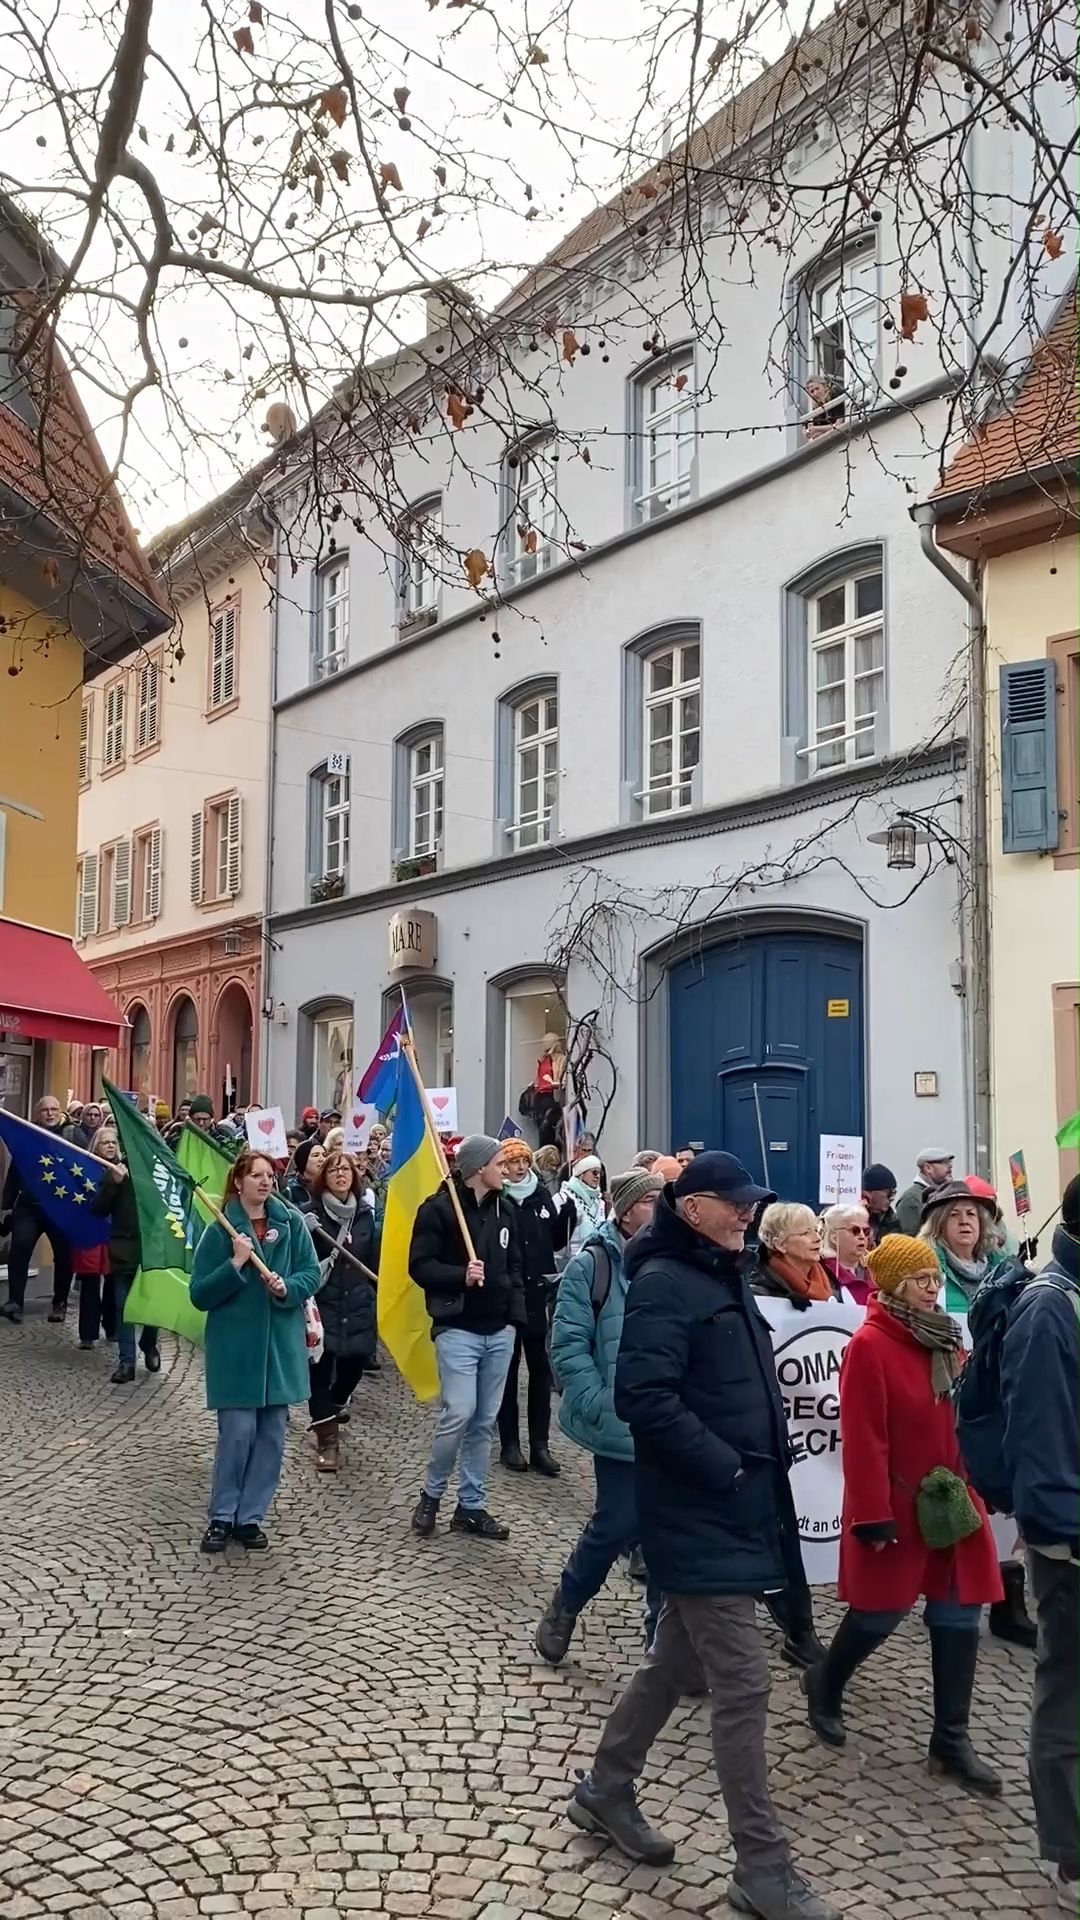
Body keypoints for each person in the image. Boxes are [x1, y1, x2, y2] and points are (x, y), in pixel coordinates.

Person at [568, 1152, 840, 1920]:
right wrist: (724, 1467)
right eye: (735, 1202)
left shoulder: (724, 1272)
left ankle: (605, 1790)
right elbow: (642, 1398)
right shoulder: (662, 1283)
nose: (748, 1212)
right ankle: (762, 1869)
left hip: (741, 1505)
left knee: (669, 1665)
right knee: (744, 1687)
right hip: (698, 1511)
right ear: (693, 1210)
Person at [804, 1234, 1002, 1795]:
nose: (933, 1289)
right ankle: (824, 1681)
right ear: (894, 1286)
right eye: (921, 1281)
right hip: (896, 1502)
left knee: (959, 1614)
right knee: (878, 1614)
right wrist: (871, 1514)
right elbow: (864, 1439)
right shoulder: (869, 1343)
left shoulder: (946, 1340)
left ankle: (951, 1739)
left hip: (954, 1500)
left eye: (935, 1280)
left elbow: (963, 1415)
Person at [535, 1169, 662, 1663]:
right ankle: (566, 1603)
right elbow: (567, 1343)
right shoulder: (592, 1264)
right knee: (616, 1523)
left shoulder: (678, 1259)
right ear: (627, 1209)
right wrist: (596, 1402)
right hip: (620, 1420)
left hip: (672, 1419)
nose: (660, 1208)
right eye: (651, 1200)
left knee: (668, 1532)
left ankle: (663, 1639)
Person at [1002, 1175, 1080, 1913]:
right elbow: (1040, 1439)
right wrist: (1064, 1535)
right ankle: (1069, 1852)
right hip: (1071, 1548)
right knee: (1067, 1693)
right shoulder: (1049, 1307)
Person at [920, 1178, 1037, 1647]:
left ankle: (1009, 1605)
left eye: (972, 1213)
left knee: (1000, 1494)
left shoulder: (1002, 1270)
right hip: (946, 1401)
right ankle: (947, 1595)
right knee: (956, 1497)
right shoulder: (929, 1270)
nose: (966, 1220)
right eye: (955, 1214)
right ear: (938, 1224)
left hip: (993, 1398)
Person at [190, 1149, 321, 1554]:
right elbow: (199, 1293)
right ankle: (222, 1515)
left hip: (279, 1348)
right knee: (238, 1433)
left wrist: (289, 1289)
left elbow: (310, 1273)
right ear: (239, 1181)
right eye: (256, 1175)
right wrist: (235, 1264)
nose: (265, 1182)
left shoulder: (292, 1223)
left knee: (271, 1437)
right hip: (236, 1349)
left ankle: (250, 1517)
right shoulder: (221, 1229)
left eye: (269, 1175)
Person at [409, 1134, 524, 1541]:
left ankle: (471, 1506)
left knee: (483, 1421)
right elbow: (419, 1266)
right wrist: (461, 1275)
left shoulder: (507, 1210)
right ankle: (431, 1495)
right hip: (457, 1327)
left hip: (499, 1330)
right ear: (478, 1169)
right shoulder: (439, 1210)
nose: (506, 1170)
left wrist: (514, 1320)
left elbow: (515, 1269)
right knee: (458, 1413)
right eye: (499, 1163)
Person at [496, 1139, 575, 1476]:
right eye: (514, 1162)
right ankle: (510, 1444)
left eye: (524, 1161)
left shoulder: (540, 1193)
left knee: (540, 1372)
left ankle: (540, 1445)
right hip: (507, 1297)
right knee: (508, 1373)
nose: (521, 1167)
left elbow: (555, 1240)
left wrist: (566, 1218)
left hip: (538, 1295)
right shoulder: (497, 1199)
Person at [306, 1149, 379, 1472]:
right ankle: (327, 1440)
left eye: (345, 1170)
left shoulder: (365, 1214)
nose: (340, 1174)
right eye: (333, 1170)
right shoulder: (311, 1213)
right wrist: (303, 1229)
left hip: (358, 1302)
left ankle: (335, 1404)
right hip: (324, 1303)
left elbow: (374, 1256)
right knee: (319, 1371)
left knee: (354, 1363)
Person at [89, 1132, 160, 1382]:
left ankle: (149, 1343)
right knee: (124, 1308)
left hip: (154, 1251)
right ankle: (126, 1362)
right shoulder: (119, 1171)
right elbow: (97, 1209)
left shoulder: (162, 1171)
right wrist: (113, 1183)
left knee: (153, 1308)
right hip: (124, 1250)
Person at [0, 1094, 73, 1324]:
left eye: (54, 1109)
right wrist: (5, 1206)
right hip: (29, 1206)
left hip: (60, 1208)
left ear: (60, 1111)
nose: (50, 1113)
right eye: (45, 1110)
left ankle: (60, 1303)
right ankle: (15, 1302)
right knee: (19, 1248)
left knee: (63, 1256)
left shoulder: (71, 1136)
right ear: (38, 1114)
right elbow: (14, 1173)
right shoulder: (28, 1136)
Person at [75, 1125, 118, 1350]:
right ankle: (87, 1333)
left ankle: (112, 1328)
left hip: (114, 1233)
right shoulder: (84, 1167)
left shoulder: (122, 1169)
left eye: (113, 1142)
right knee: (90, 1283)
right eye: (105, 1142)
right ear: (96, 1145)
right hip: (90, 1230)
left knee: (113, 1283)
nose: (110, 1146)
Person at [748, 1202, 838, 1305]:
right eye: (805, 1233)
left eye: (816, 1231)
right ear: (780, 1244)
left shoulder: (831, 1280)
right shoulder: (759, 1291)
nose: (817, 1239)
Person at [819, 1204, 874, 1305]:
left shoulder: (874, 1268)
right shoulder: (822, 1270)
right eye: (855, 1231)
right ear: (834, 1238)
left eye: (866, 1231)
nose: (862, 1236)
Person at [895, 1148, 954, 1235]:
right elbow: (911, 1239)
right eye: (944, 1162)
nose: (950, 1166)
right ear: (928, 1168)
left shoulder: (943, 1195)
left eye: (950, 1163)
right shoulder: (911, 1199)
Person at [562, 1154, 606, 1257]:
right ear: (581, 1174)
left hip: (595, 1257)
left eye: (600, 1173)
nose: (598, 1176)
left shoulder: (600, 1202)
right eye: (594, 1172)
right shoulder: (563, 1197)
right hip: (570, 1259)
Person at [532, 1032, 566, 1149]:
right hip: (540, 1097)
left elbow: (563, 1080)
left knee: (548, 1127)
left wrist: (554, 1084)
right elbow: (540, 1077)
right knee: (541, 1126)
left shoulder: (560, 1059)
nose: (543, 1043)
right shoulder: (543, 1059)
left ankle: (551, 1152)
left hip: (552, 1096)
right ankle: (544, 1153)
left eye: (546, 1041)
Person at [860, 1164, 899, 1244]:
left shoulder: (891, 1219)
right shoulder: (849, 1218)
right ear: (869, 1193)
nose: (892, 1198)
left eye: (894, 1193)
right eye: (889, 1193)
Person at [285, 1138, 325, 1211]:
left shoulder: (331, 1186)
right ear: (303, 1160)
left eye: (324, 1155)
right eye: (316, 1155)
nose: (322, 1159)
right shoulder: (290, 1190)